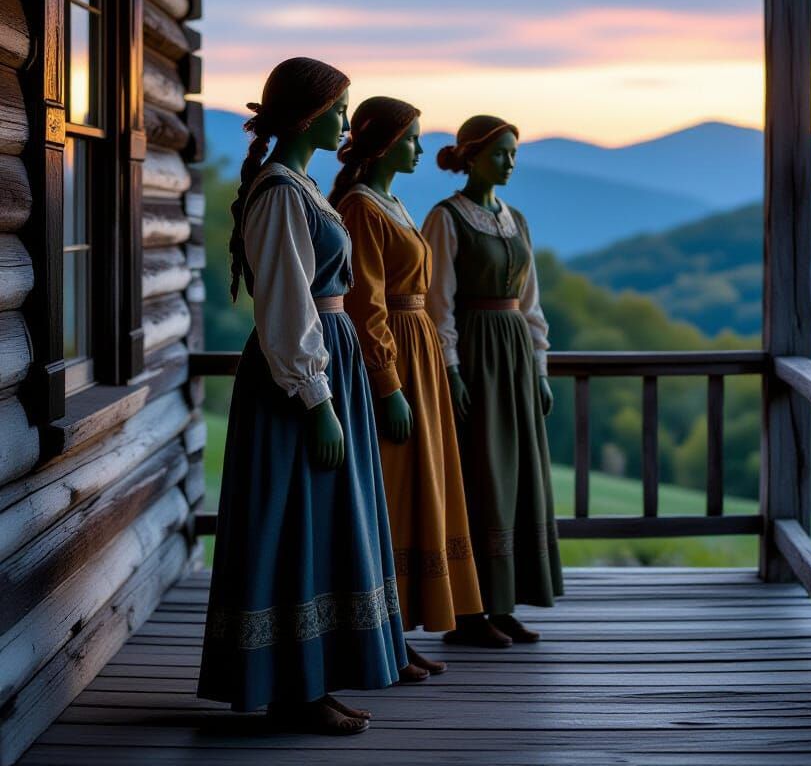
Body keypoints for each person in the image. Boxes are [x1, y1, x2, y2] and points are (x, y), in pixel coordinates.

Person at [197, 58, 406, 735]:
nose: (347, 121)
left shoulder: (302, 186)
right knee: (297, 524)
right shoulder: (282, 193)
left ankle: (313, 681)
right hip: (300, 379)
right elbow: (286, 304)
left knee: (323, 521)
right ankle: (292, 690)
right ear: (311, 115)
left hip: (329, 361)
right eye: (340, 109)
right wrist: (318, 399)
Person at [329, 96, 487, 676]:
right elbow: (364, 303)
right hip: (394, 351)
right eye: (414, 138)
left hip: (419, 349)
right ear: (388, 143)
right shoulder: (360, 206)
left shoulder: (392, 202)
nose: (422, 148)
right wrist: (387, 384)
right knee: (393, 495)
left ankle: (398, 631)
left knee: (423, 486)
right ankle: (382, 634)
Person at [422, 115, 563, 646]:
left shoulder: (515, 219)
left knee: (517, 474)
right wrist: (451, 369)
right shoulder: (446, 218)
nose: (510, 163)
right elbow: (437, 302)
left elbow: (531, 303)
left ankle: (503, 603)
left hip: (515, 357)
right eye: (501, 153)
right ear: (472, 156)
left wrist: (540, 369)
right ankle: (469, 613)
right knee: (481, 474)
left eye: (514, 153)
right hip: (475, 354)